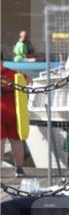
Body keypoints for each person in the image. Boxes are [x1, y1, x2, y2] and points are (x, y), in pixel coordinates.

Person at [1, 49, 31, 177]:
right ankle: (19, 169)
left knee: (0, 141)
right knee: (16, 141)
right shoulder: (13, 73)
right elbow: (29, 80)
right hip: (14, 113)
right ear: (2, 60)